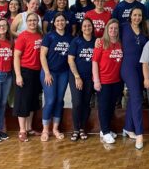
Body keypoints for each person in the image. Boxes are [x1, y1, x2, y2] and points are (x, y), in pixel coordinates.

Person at [39, 13, 72, 141]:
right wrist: (47, 73)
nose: (60, 23)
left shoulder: (70, 37)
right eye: (57, 21)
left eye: (62, 20)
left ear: (66, 22)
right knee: (50, 100)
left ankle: (55, 129)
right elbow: (42, 55)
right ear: (54, 23)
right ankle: (45, 130)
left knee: (59, 100)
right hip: (49, 72)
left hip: (63, 73)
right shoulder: (49, 36)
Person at [120, 7, 148, 149]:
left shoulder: (144, 31)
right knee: (137, 97)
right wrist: (100, 40)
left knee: (134, 97)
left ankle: (128, 127)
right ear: (130, 16)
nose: (137, 17)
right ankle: (139, 133)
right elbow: (110, 33)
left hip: (140, 68)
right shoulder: (123, 27)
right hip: (127, 67)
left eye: (139, 15)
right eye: (135, 15)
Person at [92, 19, 124, 144]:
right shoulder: (101, 43)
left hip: (116, 81)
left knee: (111, 106)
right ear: (107, 29)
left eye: (115, 28)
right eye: (111, 28)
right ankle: (105, 132)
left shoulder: (120, 43)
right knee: (104, 107)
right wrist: (96, 81)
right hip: (104, 81)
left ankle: (105, 129)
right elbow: (95, 62)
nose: (113, 30)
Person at [13, 12, 43, 142]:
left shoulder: (40, 35)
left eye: (34, 20)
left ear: (38, 21)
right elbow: (16, 56)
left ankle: (29, 128)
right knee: (23, 102)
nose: (32, 22)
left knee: (32, 102)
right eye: (30, 20)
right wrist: (18, 75)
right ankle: (22, 130)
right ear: (26, 22)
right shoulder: (23, 36)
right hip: (25, 71)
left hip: (37, 72)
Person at [68, 18, 96, 142]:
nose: (87, 28)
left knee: (86, 103)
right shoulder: (76, 41)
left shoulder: (96, 41)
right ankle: (75, 129)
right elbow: (70, 60)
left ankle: (82, 128)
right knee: (77, 102)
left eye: (89, 25)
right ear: (81, 28)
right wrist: (77, 77)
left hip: (90, 77)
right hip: (76, 76)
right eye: (84, 26)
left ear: (92, 27)